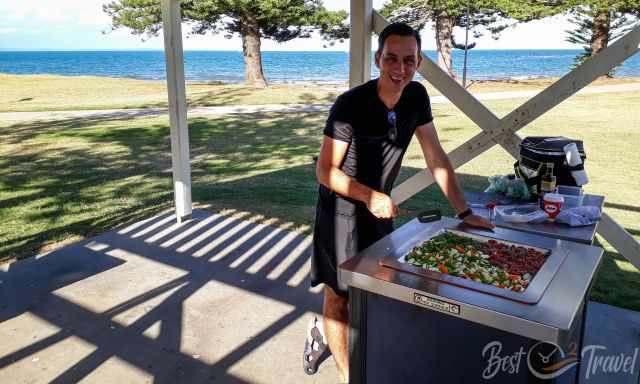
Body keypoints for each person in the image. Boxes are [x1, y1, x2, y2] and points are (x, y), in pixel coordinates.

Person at [304, 22, 494, 383]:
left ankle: (344, 342)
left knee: (381, 287)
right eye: (392, 58)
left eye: (409, 60)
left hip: (379, 210)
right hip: (341, 212)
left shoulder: (417, 97)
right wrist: (368, 195)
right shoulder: (350, 105)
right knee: (340, 296)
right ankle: (347, 372)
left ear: (419, 62)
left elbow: (436, 157)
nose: (400, 69)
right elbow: (324, 171)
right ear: (379, 59)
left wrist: (465, 212)